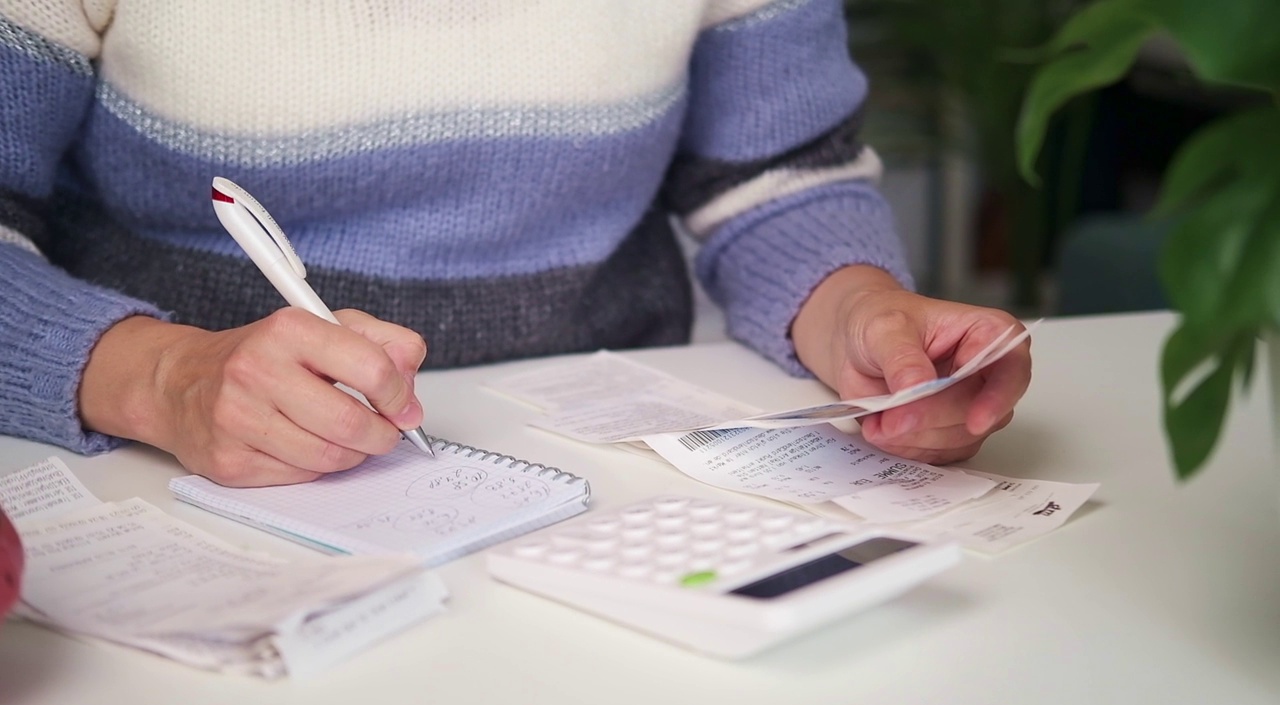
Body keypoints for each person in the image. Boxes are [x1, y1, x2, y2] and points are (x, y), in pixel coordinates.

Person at [0, 0, 1030, 488]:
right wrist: (165, 379)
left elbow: (774, 177)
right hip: (177, 492)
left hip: (610, 480)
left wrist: (861, 311)